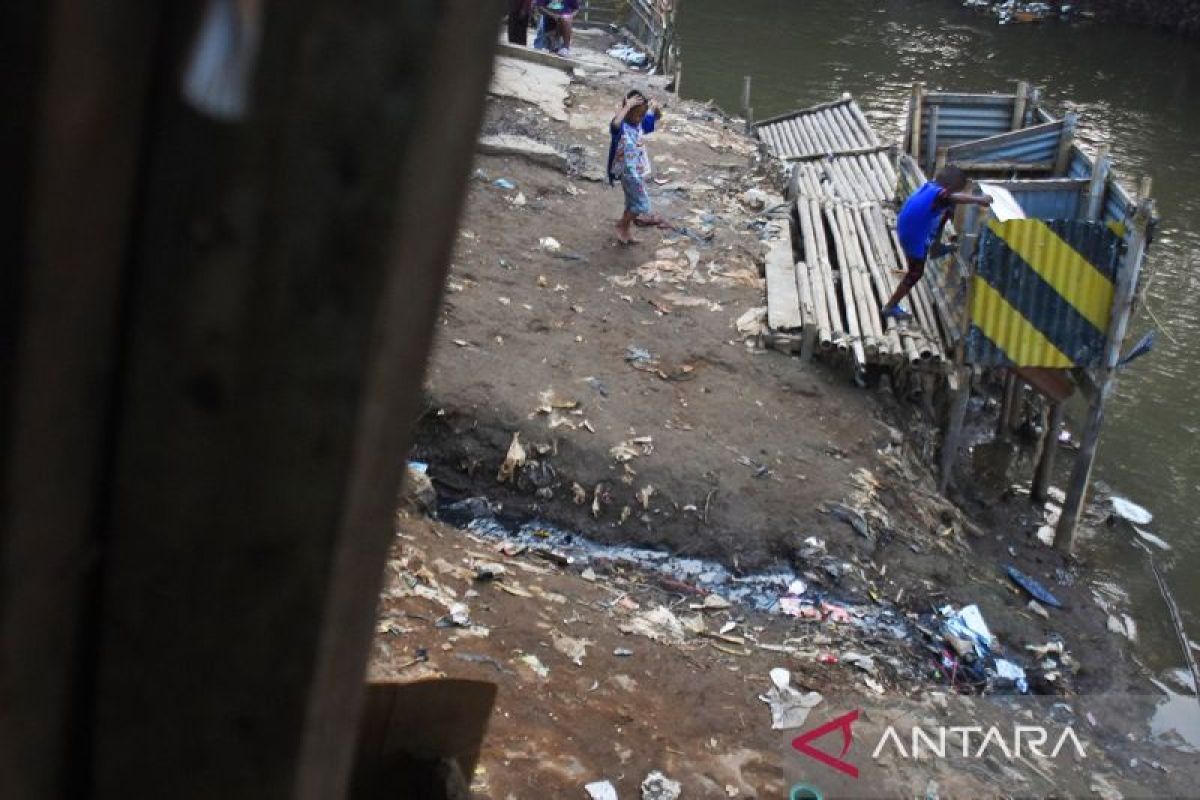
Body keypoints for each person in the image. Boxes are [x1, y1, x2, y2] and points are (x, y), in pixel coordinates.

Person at [881, 165, 992, 320]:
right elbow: (952, 197)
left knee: (947, 209)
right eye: (956, 191)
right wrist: (979, 199)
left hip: (906, 226)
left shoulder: (930, 186)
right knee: (915, 273)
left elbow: (949, 200)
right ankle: (890, 306)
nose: (957, 194)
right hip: (912, 236)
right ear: (948, 188)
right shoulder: (941, 195)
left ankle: (936, 247)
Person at [609, 90, 662, 244]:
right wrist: (627, 106)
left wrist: (653, 108)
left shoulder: (637, 125)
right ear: (628, 112)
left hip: (636, 172)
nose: (640, 119)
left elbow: (653, 118)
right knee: (642, 204)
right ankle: (621, 225)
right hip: (628, 173)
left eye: (642, 115)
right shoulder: (622, 127)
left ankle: (625, 230)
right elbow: (615, 123)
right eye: (637, 115)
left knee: (632, 202)